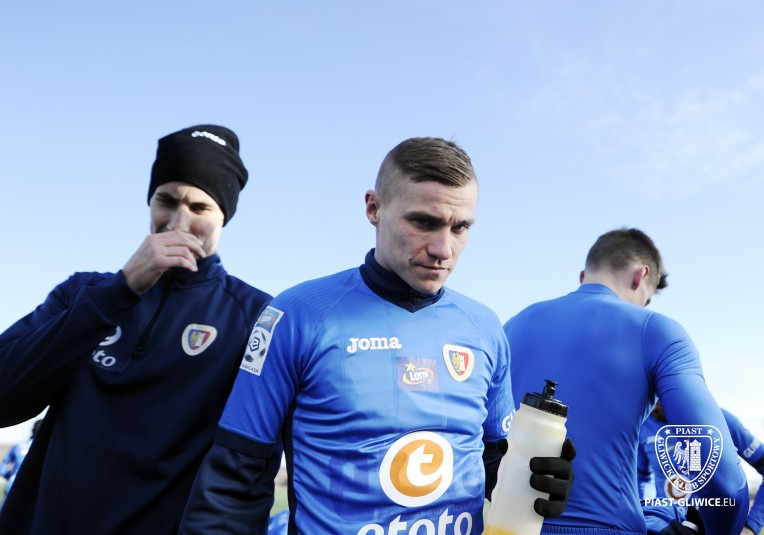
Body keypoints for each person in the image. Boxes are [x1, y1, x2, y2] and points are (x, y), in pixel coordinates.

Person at [179, 137, 575, 534]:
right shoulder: (295, 315)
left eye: (460, 227)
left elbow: (493, 461)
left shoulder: (485, 328)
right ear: (373, 208)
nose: (443, 249)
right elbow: (234, 477)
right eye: (424, 222)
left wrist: (537, 476)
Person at [0, 125, 272, 533]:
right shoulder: (83, 292)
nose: (179, 221)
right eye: (167, 201)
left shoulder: (253, 315)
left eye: (200, 207)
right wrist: (120, 292)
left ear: (224, 217)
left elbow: (251, 464)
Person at [505, 228, 749, 534]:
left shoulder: (512, 325)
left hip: (504, 525)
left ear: (583, 276)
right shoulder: (656, 331)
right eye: (646, 300)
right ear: (640, 276)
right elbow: (722, 477)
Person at [639, 400, 764, 535]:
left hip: (717, 528)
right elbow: (640, 479)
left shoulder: (717, 417)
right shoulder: (642, 426)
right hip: (670, 527)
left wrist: (752, 526)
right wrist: (642, 515)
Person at [0, 420, 42, 505]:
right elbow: (6, 460)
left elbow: (6, 461)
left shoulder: (20, 445)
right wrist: (4, 474)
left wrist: (5, 474)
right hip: (28, 485)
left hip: (15, 483)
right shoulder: (43, 448)